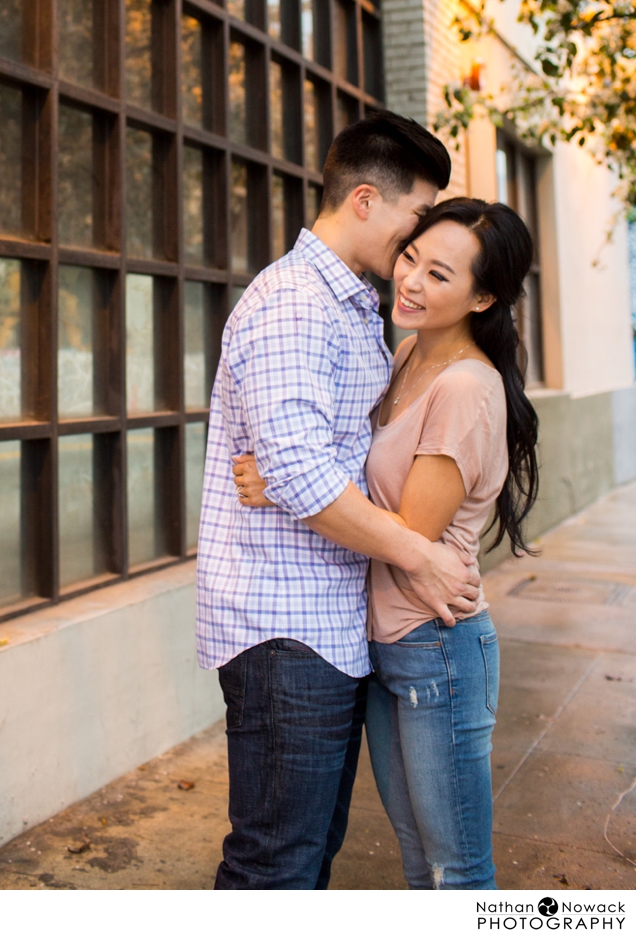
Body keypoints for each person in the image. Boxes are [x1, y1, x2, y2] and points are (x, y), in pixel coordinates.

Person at [196, 109, 480, 891]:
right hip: (286, 634)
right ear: (364, 200)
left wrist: (285, 477)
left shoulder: (355, 307)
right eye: (415, 219)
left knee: (309, 852)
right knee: (274, 865)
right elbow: (300, 473)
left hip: (325, 625)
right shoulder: (295, 304)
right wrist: (419, 554)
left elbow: (318, 460)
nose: (418, 248)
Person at [235, 196, 540, 890]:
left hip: (439, 645)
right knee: (415, 859)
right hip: (385, 646)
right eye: (411, 258)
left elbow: (410, 534)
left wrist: (287, 483)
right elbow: (353, 470)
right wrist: (294, 469)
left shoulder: (465, 387)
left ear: (482, 296)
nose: (410, 281)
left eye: (440, 275)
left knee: (455, 870)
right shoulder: (404, 357)